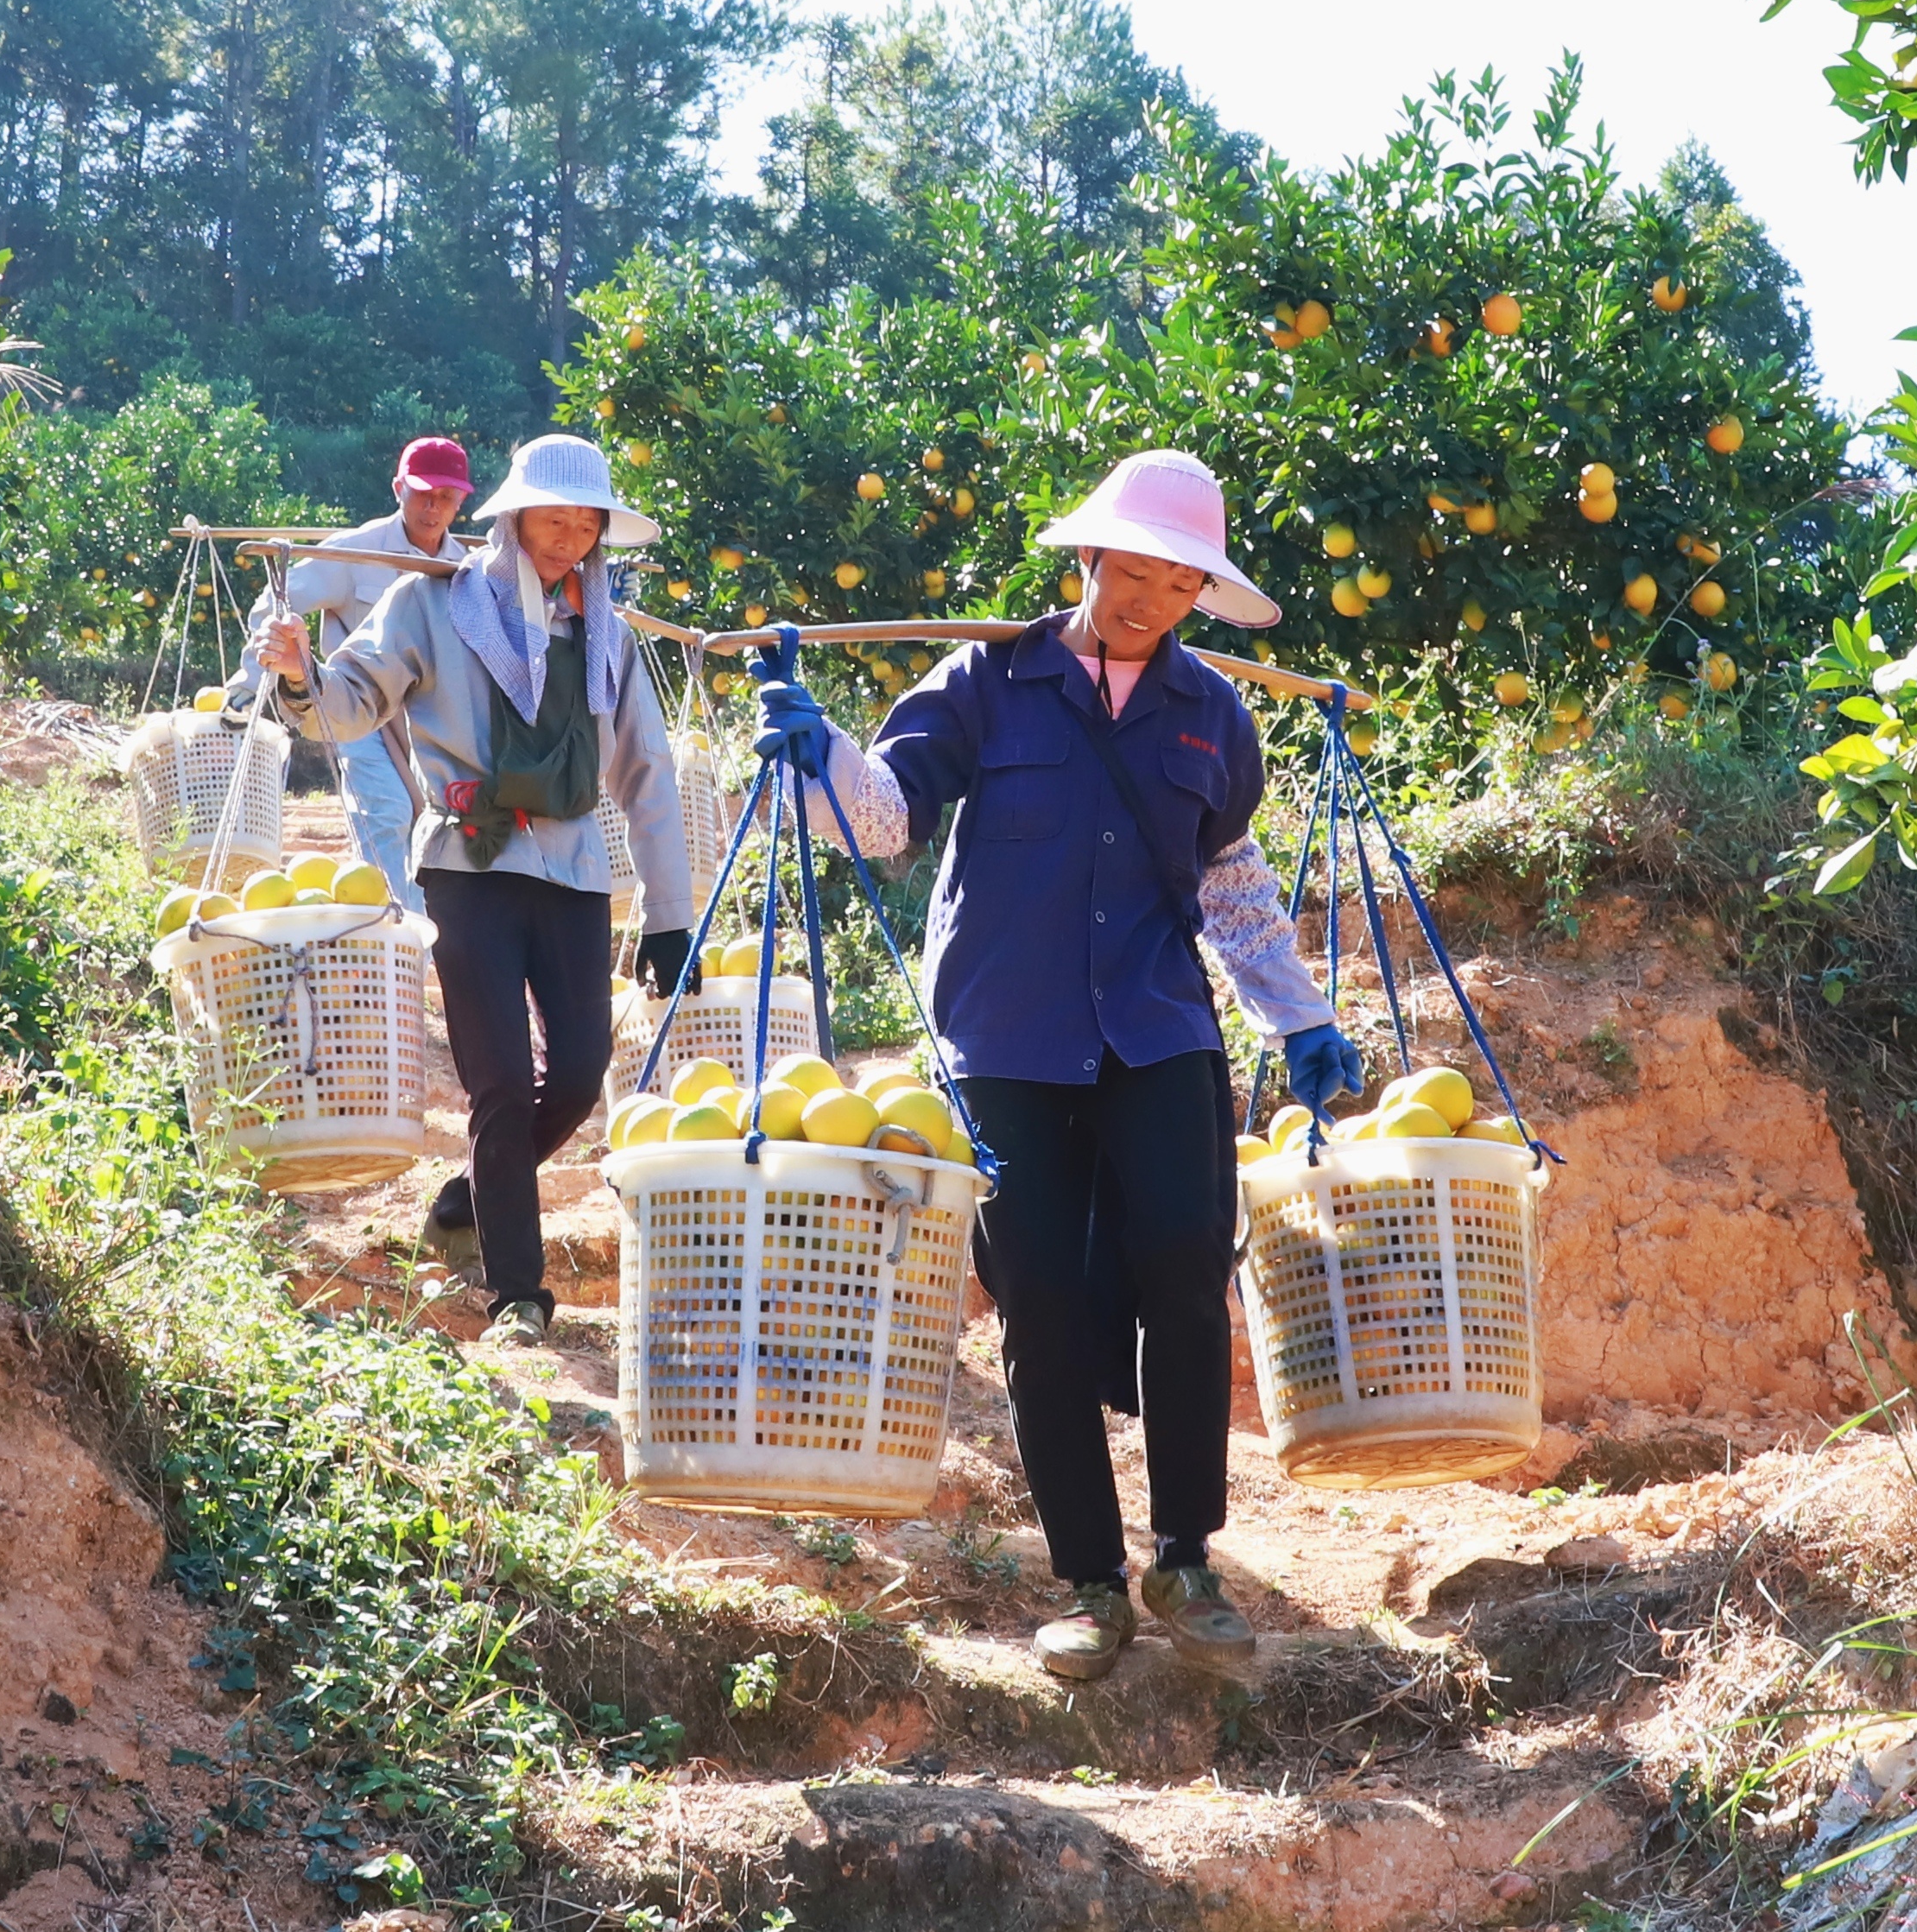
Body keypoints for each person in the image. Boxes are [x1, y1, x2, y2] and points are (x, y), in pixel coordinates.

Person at [764, 449, 1360, 1683]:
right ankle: (1088, 1581)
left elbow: (1234, 885)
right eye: (1127, 572)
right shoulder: (986, 681)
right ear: (1085, 559)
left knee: (1186, 1273)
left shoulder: (1212, 711)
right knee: (1035, 1299)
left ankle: (1185, 1553)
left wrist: (1296, 1015)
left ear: (1202, 587)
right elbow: (882, 821)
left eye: (1174, 581)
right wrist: (816, 750)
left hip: (1156, 1024)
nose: (1145, 599)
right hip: (1007, 1036)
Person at [262, 434, 692, 1340]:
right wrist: (299, 671)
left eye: (587, 524)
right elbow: (347, 704)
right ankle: (518, 1295)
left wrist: (669, 914)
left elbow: (647, 770)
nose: (569, 537)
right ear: (512, 516)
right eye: (553, 518)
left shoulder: (605, 628)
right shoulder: (433, 602)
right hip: (467, 864)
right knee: (498, 1080)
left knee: (576, 1073)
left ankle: (468, 1195)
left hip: (573, 873)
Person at [269, 435, 479, 920]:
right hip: (359, 712)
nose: (433, 508)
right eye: (422, 494)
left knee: (438, 829)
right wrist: (253, 679)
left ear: (461, 501)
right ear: (398, 488)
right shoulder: (355, 552)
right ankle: (392, 938)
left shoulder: (468, 570)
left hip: (428, 720)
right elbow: (277, 604)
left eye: (446, 498)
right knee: (385, 812)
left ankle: (425, 938)